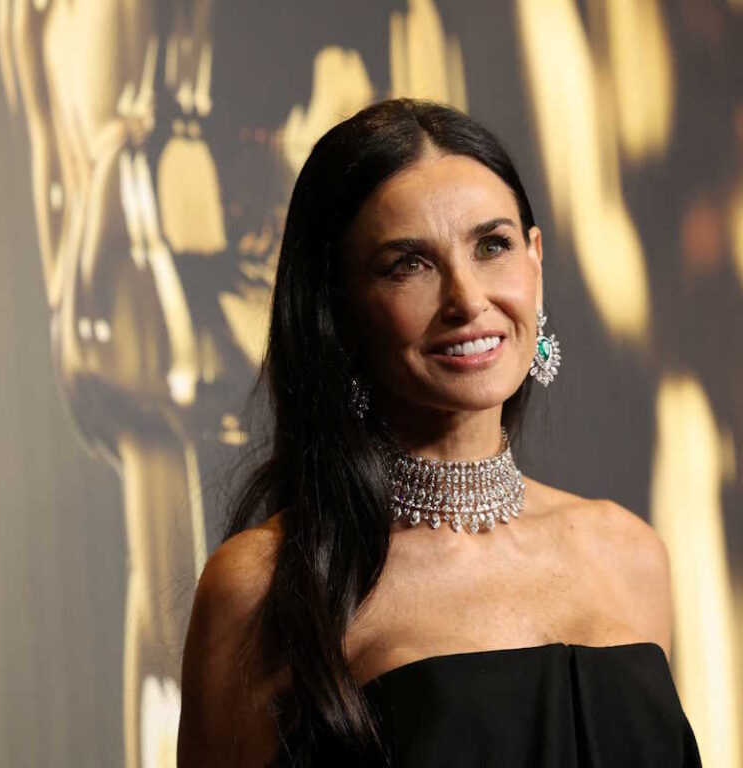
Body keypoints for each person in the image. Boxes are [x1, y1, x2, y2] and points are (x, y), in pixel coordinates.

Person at [176, 98, 702, 766]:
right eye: (409, 264)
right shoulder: (262, 588)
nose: (468, 300)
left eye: (493, 246)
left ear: (535, 262)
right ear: (337, 308)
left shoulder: (630, 555)